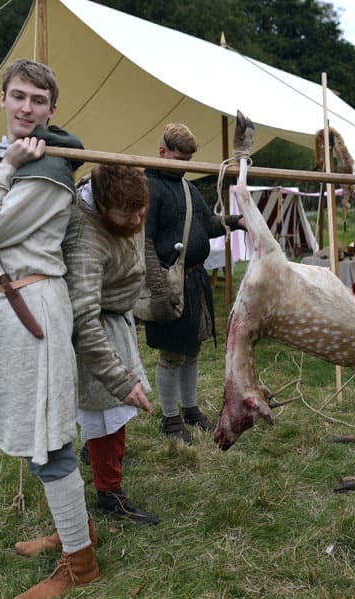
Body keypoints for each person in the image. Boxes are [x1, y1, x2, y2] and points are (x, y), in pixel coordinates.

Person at [0, 58, 97, 599]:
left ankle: (80, 563)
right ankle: (72, 528)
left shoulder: (49, 167)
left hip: (34, 303)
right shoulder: (5, 163)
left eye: (38, 100)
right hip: (5, 309)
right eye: (18, 97)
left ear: (52, 109)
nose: (27, 108)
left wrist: (3, 169)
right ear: (4, 101)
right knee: (39, 433)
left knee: (49, 439)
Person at [62, 164, 159, 525]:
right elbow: (82, 318)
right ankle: (109, 492)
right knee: (105, 412)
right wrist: (118, 378)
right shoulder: (84, 240)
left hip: (118, 317)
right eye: (127, 213)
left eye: (142, 211)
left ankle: (104, 464)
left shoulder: (129, 204)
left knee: (112, 416)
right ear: (102, 207)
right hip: (94, 330)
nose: (137, 219)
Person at [143, 123, 244, 444]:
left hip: (195, 282)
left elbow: (206, 224)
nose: (184, 165)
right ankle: (171, 419)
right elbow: (143, 242)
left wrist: (235, 222)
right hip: (168, 283)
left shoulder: (189, 189)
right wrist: (158, 289)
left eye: (188, 160)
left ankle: (190, 409)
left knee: (192, 351)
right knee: (171, 355)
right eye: (179, 158)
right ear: (162, 152)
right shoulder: (150, 187)